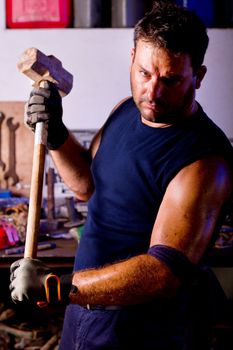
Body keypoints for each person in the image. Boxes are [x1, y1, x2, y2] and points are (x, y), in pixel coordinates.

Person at [10, 2, 233, 349]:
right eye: (144, 73)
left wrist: (60, 285)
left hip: (142, 332)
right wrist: (56, 133)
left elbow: (163, 273)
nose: (153, 92)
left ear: (198, 76)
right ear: (132, 58)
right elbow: (86, 185)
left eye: (171, 79)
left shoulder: (204, 162)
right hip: (84, 312)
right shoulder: (125, 110)